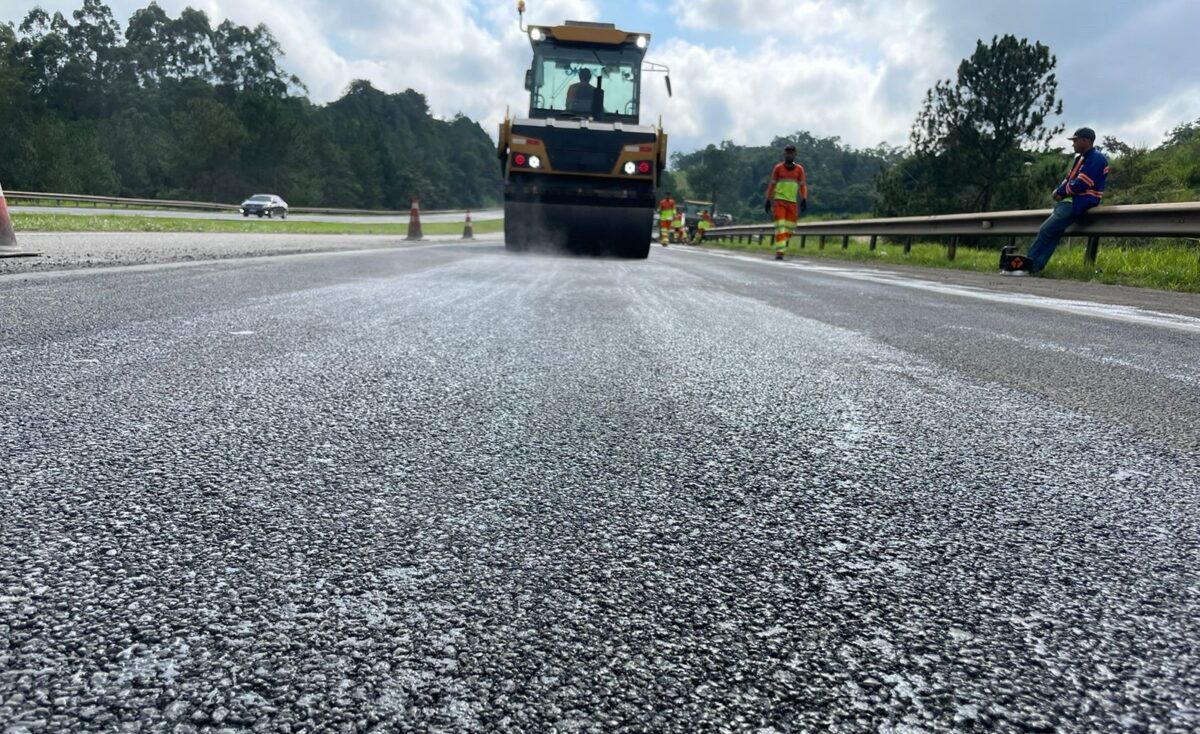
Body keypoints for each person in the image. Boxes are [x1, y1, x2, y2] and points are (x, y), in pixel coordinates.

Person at [1005, 127, 1109, 276]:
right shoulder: (1080, 159)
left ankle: (1027, 266)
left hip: (1079, 202)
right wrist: (1059, 191)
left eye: (1075, 140)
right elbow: (1068, 179)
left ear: (1085, 141)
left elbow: (1081, 184)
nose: (1073, 144)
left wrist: (1060, 192)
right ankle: (1035, 267)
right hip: (1069, 201)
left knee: (1046, 230)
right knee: (1052, 233)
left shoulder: (1097, 159)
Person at [763, 144, 808, 260]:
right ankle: (780, 252)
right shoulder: (778, 168)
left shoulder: (799, 169)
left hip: (792, 203)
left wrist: (804, 198)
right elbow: (772, 184)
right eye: (788, 153)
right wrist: (768, 198)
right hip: (779, 202)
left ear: (795, 154)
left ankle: (781, 244)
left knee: (790, 228)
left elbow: (802, 185)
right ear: (785, 154)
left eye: (791, 153)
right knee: (780, 227)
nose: (789, 155)